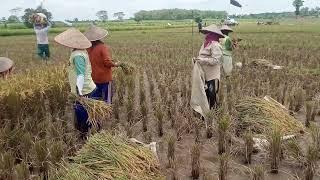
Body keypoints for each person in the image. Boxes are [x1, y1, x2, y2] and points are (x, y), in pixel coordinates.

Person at [54, 28, 97, 139]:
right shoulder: (80, 51)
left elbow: (81, 74)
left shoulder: (77, 55)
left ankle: (85, 134)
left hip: (84, 89)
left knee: (82, 113)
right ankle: (87, 131)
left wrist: (79, 92)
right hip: (85, 87)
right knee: (84, 112)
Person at [84, 25, 120, 104]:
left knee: (95, 98)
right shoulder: (102, 47)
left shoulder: (88, 48)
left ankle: (96, 112)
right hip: (104, 78)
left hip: (93, 77)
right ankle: (108, 112)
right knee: (107, 98)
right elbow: (107, 62)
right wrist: (116, 64)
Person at [193, 24, 224, 110]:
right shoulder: (206, 43)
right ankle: (207, 109)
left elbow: (216, 60)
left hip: (212, 74)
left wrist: (202, 60)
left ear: (213, 34)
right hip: (204, 73)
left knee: (211, 93)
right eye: (207, 33)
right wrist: (197, 59)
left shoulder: (215, 45)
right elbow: (202, 55)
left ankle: (213, 111)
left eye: (208, 33)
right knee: (205, 92)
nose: (206, 35)